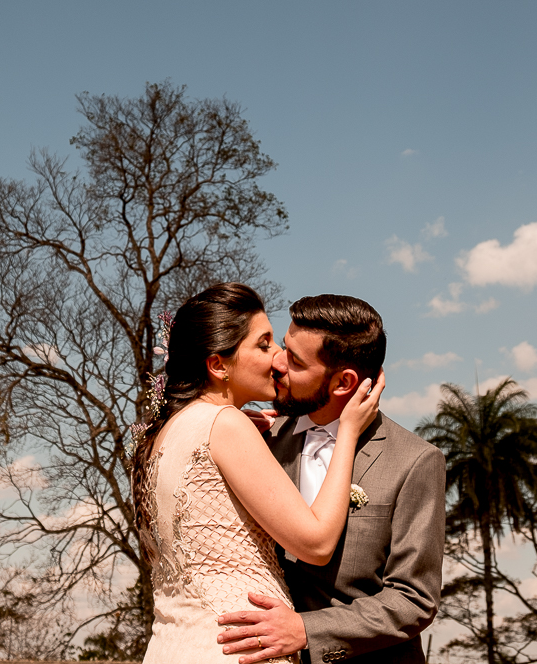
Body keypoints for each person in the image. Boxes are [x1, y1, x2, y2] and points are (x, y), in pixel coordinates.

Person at [133, 283, 384, 664]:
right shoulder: (227, 426)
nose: (279, 359)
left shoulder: (159, 437)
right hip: (242, 648)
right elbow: (315, 545)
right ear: (218, 365)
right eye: (264, 345)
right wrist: (347, 432)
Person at [215, 294, 446, 664]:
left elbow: (413, 598)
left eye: (295, 361)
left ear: (343, 383)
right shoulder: (260, 438)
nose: (277, 362)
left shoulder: (415, 461)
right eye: (284, 347)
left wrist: (307, 630)